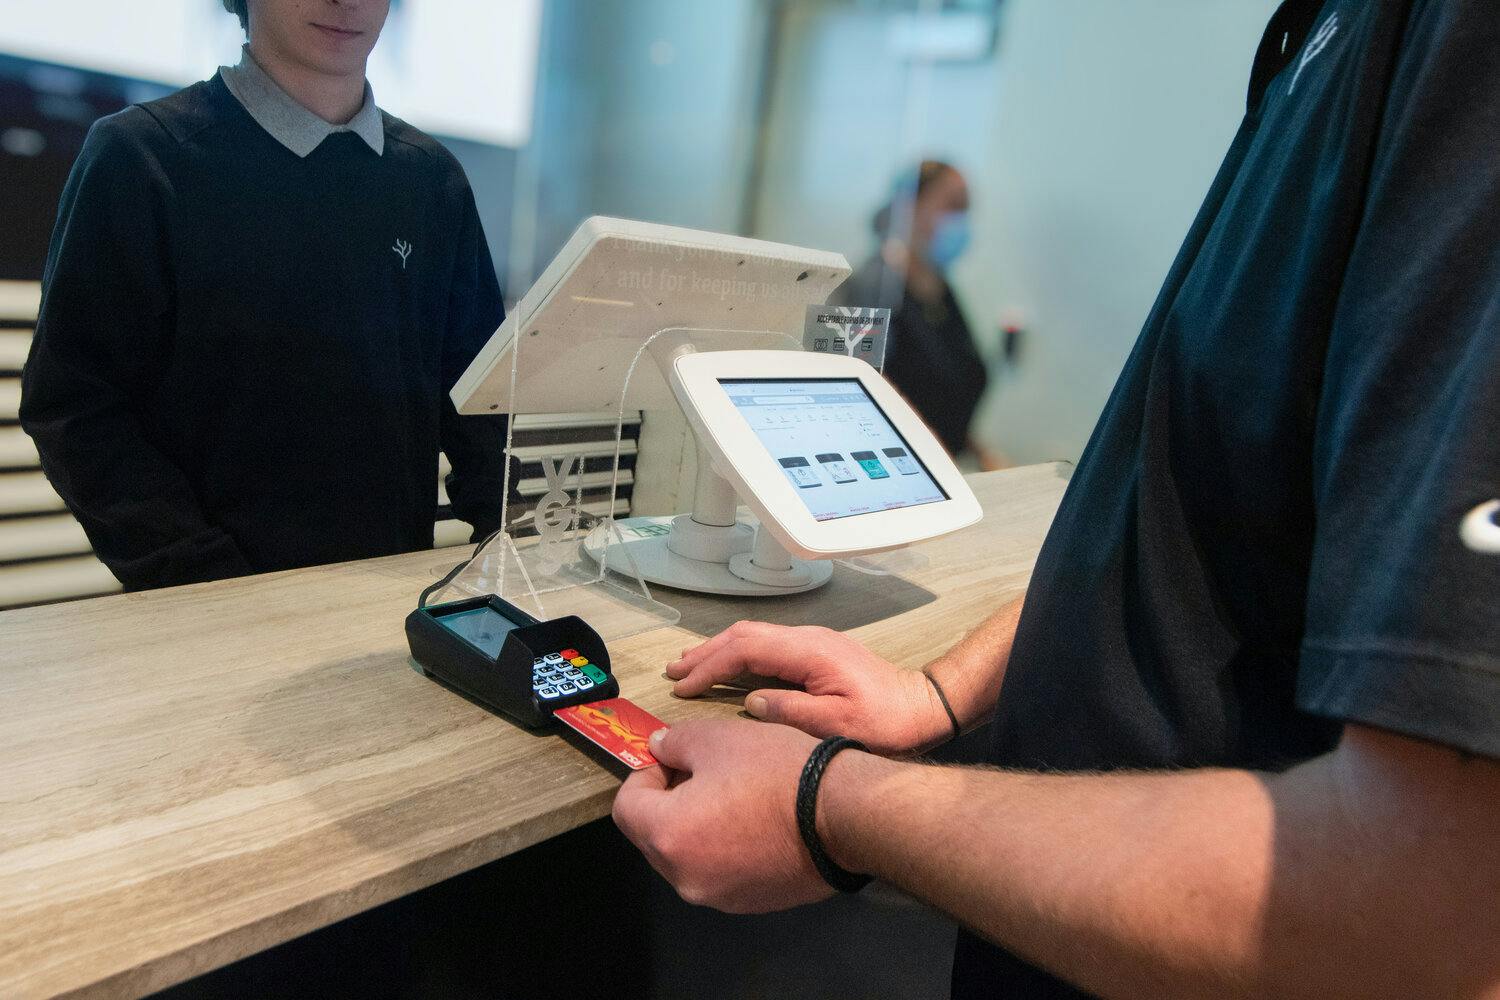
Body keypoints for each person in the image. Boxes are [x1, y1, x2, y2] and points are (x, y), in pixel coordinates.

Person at [612, 2, 1500, 997]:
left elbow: (1432, 902)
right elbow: (1187, 530)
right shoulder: (1325, 40)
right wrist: (938, 690)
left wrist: (834, 806)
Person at [19, 0, 507, 591]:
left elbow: (480, 399)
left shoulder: (432, 179)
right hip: (208, 609)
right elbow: (73, 405)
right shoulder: (143, 156)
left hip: (388, 603)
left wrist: (509, 551)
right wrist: (202, 577)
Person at [834, 160, 997, 467]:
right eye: (953, 206)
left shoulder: (943, 289)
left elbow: (952, 386)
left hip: (947, 470)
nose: (961, 221)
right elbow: (846, 399)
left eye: (966, 210)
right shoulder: (871, 287)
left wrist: (979, 452)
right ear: (909, 207)